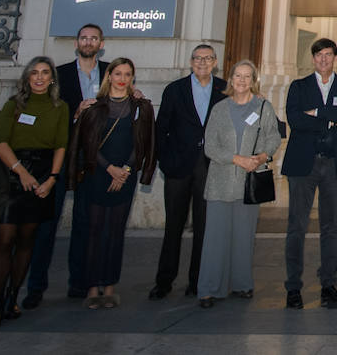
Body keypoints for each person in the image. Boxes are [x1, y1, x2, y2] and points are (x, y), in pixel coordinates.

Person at [24, 23, 108, 307]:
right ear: (77, 42)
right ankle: (35, 287)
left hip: (93, 159)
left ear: (101, 43)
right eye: (84, 38)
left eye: (93, 38)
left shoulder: (110, 72)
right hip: (60, 157)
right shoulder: (58, 74)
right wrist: (76, 113)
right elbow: (48, 112)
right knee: (47, 223)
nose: (88, 42)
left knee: (85, 224)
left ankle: (79, 284)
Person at [0, 56, 69, 329]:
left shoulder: (60, 107)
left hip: (43, 172)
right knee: (5, 238)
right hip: (11, 173)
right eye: (34, 73)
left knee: (28, 239)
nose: (39, 77)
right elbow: (0, 143)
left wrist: (52, 178)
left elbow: (60, 145)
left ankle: (12, 298)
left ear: (52, 78)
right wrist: (22, 172)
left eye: (44, 73)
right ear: (27, 78)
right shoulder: (14, 105)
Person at [66, 57, 156, 309]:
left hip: (125, 177)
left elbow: (143, 143)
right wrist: (110, 169)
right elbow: (87, 144)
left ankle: (109, 286)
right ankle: (92, 287)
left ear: (132, 78)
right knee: (94, 232)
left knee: (116, 233)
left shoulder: (142, 107)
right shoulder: (94, 107)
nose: (122, 78)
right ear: (109, 76)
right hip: (98, 174)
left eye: (128, 74)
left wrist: (125, 170)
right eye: (118, 73)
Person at [196, 60, 281, 308]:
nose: (242, 81)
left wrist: (263, 156)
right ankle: (209, 288)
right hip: (220, 182)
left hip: (248, 183)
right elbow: (210, 146)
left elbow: (273, 136)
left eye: (247, 76)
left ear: (253, 80)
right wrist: (237, 159)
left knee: (244, 236)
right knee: (214, 238)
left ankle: (242, 284)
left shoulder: (263, 107)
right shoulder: (219, 109)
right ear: (230, 79)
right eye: (237, 76)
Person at [282, 38, 337, 309]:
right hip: (304, 164)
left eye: (329, 55)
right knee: (297, 226)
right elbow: (295, 120)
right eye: (319, 56)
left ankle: (328, 283)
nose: (324, 60)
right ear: (313, 59)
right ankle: (293, 287)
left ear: (335, 58)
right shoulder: (299, 86)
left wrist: (317, 113)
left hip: (335, 164)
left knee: (331, 226)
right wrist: (333, 115)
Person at [150, 43, 227, 300]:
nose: (202, 63)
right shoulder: (175, 90)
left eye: (207, 59)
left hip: (210, 168)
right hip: (178, 167)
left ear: (215, 62)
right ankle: (164, 281)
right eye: (197, 58)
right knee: (174, 225)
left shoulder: (224, 89)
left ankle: (197, 281)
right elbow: (161, 129)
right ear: (191, 62)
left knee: (204, 228)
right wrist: (165, 160)